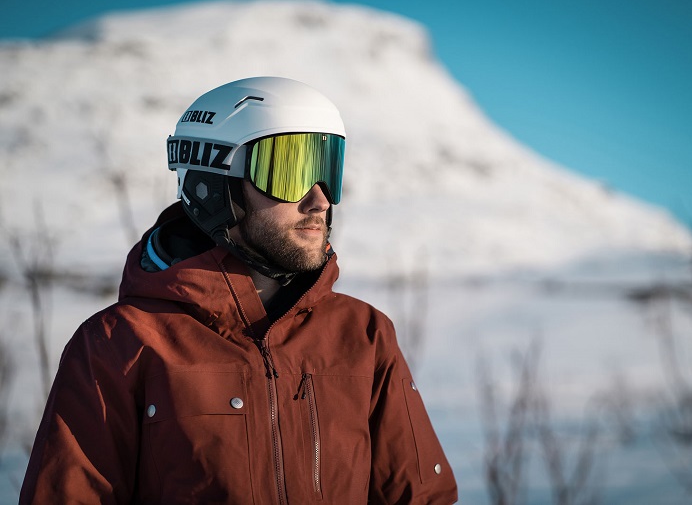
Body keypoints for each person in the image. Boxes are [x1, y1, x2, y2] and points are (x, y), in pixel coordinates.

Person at [20, 77, 458, 504]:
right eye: (289, 173)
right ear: (214, 185)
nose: (320, 201)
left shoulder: (363, 334)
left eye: (327, 171)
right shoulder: (120, 344)